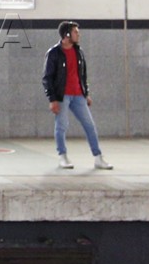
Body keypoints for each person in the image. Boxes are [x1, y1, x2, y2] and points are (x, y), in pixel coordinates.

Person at [43, 21, 112, 171]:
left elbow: (83, 75)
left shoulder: (79, 52)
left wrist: (86, 93)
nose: (78, 35)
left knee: (90, 125)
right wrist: (52, 99)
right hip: (62, 96)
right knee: (61, 126)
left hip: (78, 95)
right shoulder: (54, 53)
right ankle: (63, 156)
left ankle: (98, 157)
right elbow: (47, 78)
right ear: (67, 34)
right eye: (75, 32)